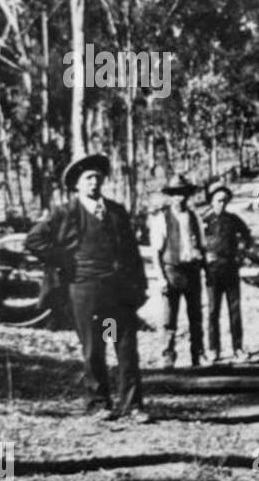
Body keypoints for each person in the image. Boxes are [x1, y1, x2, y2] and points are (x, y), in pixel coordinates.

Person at [25, 153, 149, 422]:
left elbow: (131, 252)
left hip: (117, 294)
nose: (94, 182)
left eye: (97, 177)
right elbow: (34, 240)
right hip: (86, 293)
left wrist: (140, 285)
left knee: (123, 345)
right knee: (94, 348)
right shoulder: (66, 213)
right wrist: (65, 260)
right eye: (88, 178)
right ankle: (99, 403)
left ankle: (132, 406)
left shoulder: (116, 211)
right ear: (77, 185)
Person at [151, 176, 207, 369]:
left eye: (183, 194)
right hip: (172, 271)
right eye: (175, 194)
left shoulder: (194, 217)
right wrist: (161, 278)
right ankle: (167, 357)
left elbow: (202, 244)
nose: (179, 198)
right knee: (169, 319)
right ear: (170, 196)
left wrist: (202, 264)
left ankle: (197, 355)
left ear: (188, 195)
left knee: (196, 316)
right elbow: (156, 252)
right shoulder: (162, 219)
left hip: (191, 271)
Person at [203, 184, 252, 362]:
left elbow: (247, 236)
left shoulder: (233, 219)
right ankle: (213, 349)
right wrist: (204, 260)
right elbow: (195, 244)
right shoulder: (204, 221)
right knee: (213, 311)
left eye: (225, 201)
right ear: (211, 201)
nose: (222, 204)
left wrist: (241, 256)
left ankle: (238, 348)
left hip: (231, 268)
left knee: (235, 310)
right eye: (218, 200)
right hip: (212, 271)